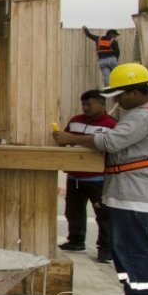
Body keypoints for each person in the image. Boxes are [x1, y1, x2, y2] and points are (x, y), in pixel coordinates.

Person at [53, 63, 148, 295]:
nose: (117, 101)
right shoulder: (137, 114)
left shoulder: (142, 116)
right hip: (125, 193)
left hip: (134, 195)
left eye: (120, 95)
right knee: (123, 251)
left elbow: (110, 142)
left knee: (134, 251)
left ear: (135, 92)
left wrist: (72, 138)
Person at [57, 89, 117, 262]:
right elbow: (65, 141)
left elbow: (111, 147)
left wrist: (72, 139)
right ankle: (76, 241)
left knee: (103, 216)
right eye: (83, 104)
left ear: (102, 104)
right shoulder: (75, 121)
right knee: (73, 212)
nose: (85, 108)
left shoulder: (111, 124)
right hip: (74, 176)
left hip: (98, 179)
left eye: (89, 104)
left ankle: (105, 249)